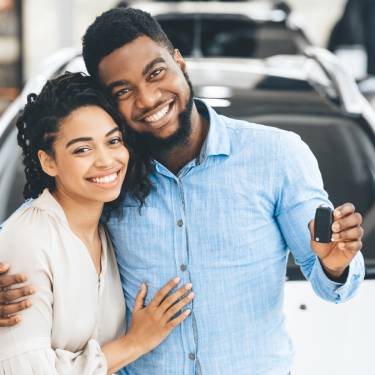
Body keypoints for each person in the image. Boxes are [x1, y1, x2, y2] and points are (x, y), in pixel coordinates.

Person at [0, 8, 365, 375]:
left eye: (155, 73)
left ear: (179, 62)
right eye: (123, 91)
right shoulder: (109, 179)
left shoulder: (277, 155)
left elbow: (332, 281)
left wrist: (335, 265)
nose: (147, 99)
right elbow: (52, 238)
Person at [0, 72, 194, 374]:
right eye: (82, 149)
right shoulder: (28, 241)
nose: (106, 160)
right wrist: (134, 343)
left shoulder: (108, 230)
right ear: (48, 161)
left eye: (113, 140)